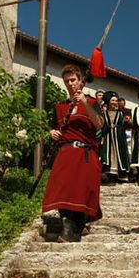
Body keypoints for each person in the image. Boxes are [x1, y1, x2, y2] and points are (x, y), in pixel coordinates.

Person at [42, 64, 104, 242]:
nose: (70, 83)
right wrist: (51, 132)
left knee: (80, 192)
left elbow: (99, 124)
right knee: (63, 192)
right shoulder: (60, 106)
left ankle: (73, 229)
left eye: (73, 80)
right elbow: (54, 127)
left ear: (79, 81)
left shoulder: (92, 102)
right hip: (66, 152)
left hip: (85, 153)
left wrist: (84, 102)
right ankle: (71, 229)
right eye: (67, 81)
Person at [100, 91, 130, 182]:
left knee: (119, 154)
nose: (114, 102)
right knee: (108, 155)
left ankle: (121, 176)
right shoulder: (103, 114)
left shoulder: (121, 113)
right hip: (108, 137)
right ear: (108, 101)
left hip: (119, 137)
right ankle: (109, 175)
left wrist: (127, 122)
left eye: (116, 101)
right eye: (112, 100)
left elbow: (127, 126)